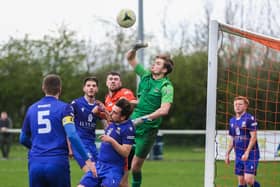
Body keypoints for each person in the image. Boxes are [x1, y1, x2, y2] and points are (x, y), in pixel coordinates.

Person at [19, 74, 96, 187]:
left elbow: (23, 138)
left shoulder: (32, 109)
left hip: (35, 164)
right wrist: (87, 160)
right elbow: (72, 135)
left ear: (43, 88)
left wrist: (37, 148)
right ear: (60, 89)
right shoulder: (65, 107)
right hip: (57, 163)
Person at [126, 48, 174, 187]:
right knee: (119, 159)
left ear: (164, 70)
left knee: (135, 167)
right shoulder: (145, 75)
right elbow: (130, 58)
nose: (154, 65)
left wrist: (144, 119)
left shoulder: (166, 87)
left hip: (148, 131)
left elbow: (164, 109)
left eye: (158, 63)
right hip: (132, 124)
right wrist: (135, 48)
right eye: (154, 62)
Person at [78, 98, 135, 187]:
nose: (111, 113)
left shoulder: (128, 129)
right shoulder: (114, 120)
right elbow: (104, 116)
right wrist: (103, 109)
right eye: (112, 111)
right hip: (99, 165)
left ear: (123, 117)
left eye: (115, 112)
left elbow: (125, 152)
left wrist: (111, 140)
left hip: (112, 169)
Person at [104, 71, 137, 187]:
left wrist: (125, 102)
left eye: (116, 79)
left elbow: (134, 103)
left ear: (120, 82)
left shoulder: (125, 93)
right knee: (120, 183)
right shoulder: (108, 98)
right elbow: (110, 119)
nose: (113, 81)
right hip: (113, 143)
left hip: (123, 142)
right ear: (106, 82)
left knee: (122, 182)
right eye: (111, 79)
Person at [66, 76, 105, 173]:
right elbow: (67, 125)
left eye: (93, 86)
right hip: (80, 144)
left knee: (99, 174)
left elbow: (107, 125)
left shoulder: (99, 106)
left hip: (92, 145)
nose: (91, 88)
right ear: (84, 88)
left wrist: (105, 112)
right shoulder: (76, 104)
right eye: (88, 85)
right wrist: (69, 147)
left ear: (97, 89)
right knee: (92, 173)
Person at [225, 96, 260, 187]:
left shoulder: (249, 119)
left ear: (245, 106)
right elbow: (232, 138)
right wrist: (227, 153)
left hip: (251, 153)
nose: (237, 106)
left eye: (240, 104)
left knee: (248, 180)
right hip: (239, 154)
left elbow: (253, 137)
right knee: (241, 182)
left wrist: (247, 152)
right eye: (236, 104)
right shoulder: (232, 121)